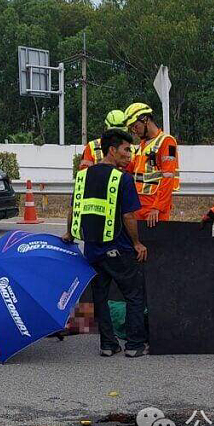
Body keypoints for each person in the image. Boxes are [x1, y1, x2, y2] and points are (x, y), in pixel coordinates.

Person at [62, 129, 150, 358]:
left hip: (92, 250)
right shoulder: (123, 179)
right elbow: (129, 216)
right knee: (133, 294)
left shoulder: (82, 177)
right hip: (118, 248)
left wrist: (70, 234)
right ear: (112, 150)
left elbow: (74, 209)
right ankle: (134, 345)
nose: (129, 154)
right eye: (126, 149)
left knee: (100, 296)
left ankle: (108, 344)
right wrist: (137, 243)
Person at [125, 103, 180, 227]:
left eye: (135, 126)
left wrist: (157, 207)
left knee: (156, 244)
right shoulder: (142, 145)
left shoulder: (167, 142)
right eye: (132, 128)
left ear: (146, 120)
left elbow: (168, 177)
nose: (134, 131)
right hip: (138, 205)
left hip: (154, 207)